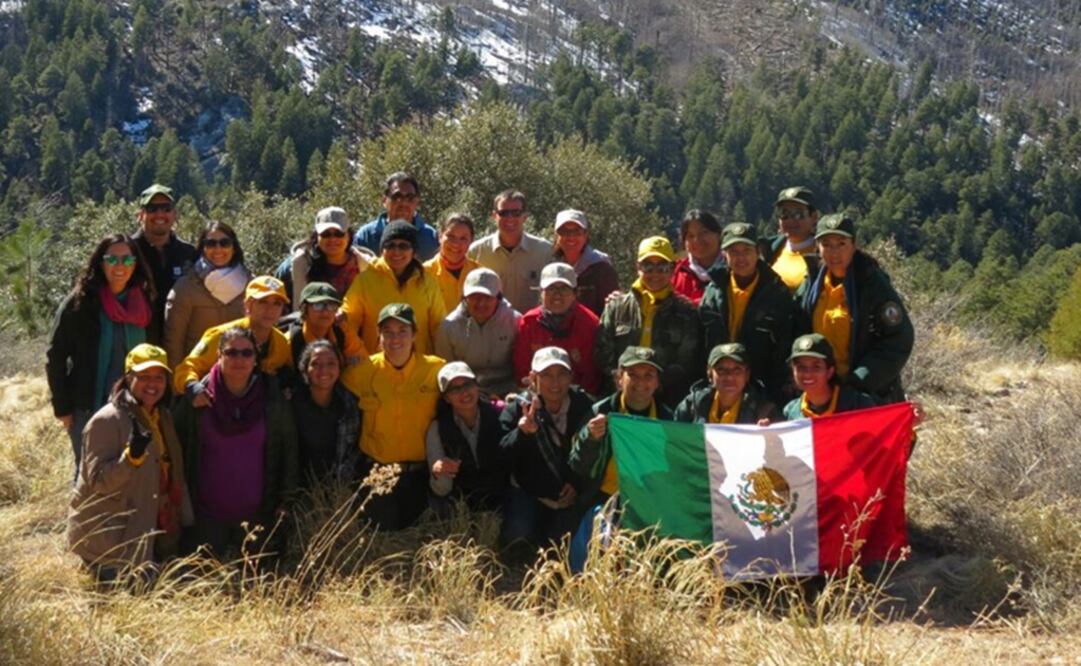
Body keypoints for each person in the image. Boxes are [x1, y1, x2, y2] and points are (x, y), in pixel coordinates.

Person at [67, 344, 193, 583]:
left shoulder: (162, 416)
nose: (152, 384)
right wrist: (131, 459)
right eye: (143, 376)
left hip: (147, 528)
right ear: (127, 378)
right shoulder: (106, 421)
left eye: (159, 377)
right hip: (110, 543)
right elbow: (99, 483)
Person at [172, 327, 298, 559]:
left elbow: (288, 451)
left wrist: (286, 500)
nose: (239, 359)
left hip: (256, 519)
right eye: (231, 353)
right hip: (206, 519)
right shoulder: (197, 399)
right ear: (218, 356)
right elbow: (176, 451)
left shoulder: (272, 396)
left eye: (246, 353)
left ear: (256, 358)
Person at [47, 234, 155, 474]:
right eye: (112, 259)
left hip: (135, 406)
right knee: (89, 472)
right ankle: (85, 513)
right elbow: (55, 357)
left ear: (136, 263)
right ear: (100, 263)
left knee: (130, 471)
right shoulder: (80, 304)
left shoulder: (144, 303)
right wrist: (62, 408)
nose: (120, 266)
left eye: (127, 260)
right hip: (87, 405)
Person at [341, 304, 446, 530]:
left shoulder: (436, 370)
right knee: (381, 534)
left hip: (421, 475)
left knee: (422, 534)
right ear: (378, 336)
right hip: (378, 475)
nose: (394, 338)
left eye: (402, 331)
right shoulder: (362, 372)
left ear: (415, 334)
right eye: (387, 332)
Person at [795, 213, 914, 405]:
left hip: (865, 391)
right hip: (820, 389)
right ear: (817, 247)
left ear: (854, 244)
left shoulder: (871, 283)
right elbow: (796, 325)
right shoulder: (813, 281)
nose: (834, 253)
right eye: (826, 244)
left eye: (841, 244)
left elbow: (899, 338)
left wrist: (860, 380)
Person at [500, 347, 594, 553]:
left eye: (562, 374)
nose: (555, 383)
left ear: (571, 377)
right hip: (530, 492)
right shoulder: (518, 408)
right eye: (547, 375)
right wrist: (522, 433)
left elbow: (592, 452)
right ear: (533, 378)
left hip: (570, 490)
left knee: (564, 543)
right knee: (517, 538)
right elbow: (502, 455)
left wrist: (575, 484)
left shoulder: (584, 405)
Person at [699, 223, 799, 404]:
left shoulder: (776, 292)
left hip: (763, 387)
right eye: (734, 252)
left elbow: (785, 344)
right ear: (725, 255)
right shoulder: (713, 290)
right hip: (719, 383)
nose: (741, 257)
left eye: (746, 250)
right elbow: (702, 338)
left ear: (758, 251)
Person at [595, 236, 700, 407]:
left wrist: (651, 387)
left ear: (673, 269)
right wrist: (626, 383)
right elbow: (602, 352)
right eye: (648, 266)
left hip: (667, 401)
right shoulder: (616, 307)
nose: (655, 273)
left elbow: (687, 361)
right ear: (638, 267)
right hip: (619, 399)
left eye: (662, 267)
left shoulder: (686, 312)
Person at [570, 347, 674, 507]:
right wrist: (590, 438)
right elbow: (578, 466)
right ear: (619, 378)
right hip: (605, 499)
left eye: (648, 375)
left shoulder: (667, 419)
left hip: (651, 501)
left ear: (657, 382)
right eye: (632, 375)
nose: (640, 382)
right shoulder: (600, 412)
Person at [340, 220, 447, 356]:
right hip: (378, 367)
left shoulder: (427, 282)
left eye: (403, 246)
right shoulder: (366, 280)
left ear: (413, 251)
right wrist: (358, 355)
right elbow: (348, 322)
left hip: (419, 367)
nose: (396, 252)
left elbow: (439, 328)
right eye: (390, 245)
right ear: (382, 249)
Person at [173, 276, 292, 397]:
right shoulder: (221, 336)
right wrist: (194, 388)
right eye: (262, 302)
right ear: (248, 305)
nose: (270, 310)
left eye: (277, 304)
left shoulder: (282, 343)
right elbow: (186, 369)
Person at [163, 221, 251, 369]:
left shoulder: (250, 284)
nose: (218, 249)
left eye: (225, 243)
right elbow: (173, 343)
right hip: (196, 377)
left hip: (239, 375)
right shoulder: (186, 287)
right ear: (202, 248)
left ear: (234, 247)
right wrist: (177, 382)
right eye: (211, 243)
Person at [426, 362, 510, 513]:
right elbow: (441, 490)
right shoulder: (437, 428)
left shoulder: (501, 414)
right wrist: (439, 473)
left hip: (502, 497)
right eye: (455, 389)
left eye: (468, 384)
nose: (464, 392)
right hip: (461, 504)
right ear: (446, 398)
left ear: (476, 386)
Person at [512, 263, 601, 395]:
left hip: (578, 398)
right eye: (551, 289)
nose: (557, 295)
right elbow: (522, 370)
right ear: (541, 293)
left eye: (564, 289)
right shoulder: (529, 322)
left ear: (575, 293)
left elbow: (591, 376)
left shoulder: (589, 324)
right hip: (536, 396)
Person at [434, 268, 522, 399]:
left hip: (508, 391)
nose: (481, 303)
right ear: (464, 298)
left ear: (498, 298)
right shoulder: (448, 327)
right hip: (466, 393)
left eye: (487, 297)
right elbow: (447, 372)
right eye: (474, 297)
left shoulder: (516, 322)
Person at [291, 340, 362, 488]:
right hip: (300, 493)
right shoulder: (291, 405)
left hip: (341, 490)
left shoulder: (351, 405)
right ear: (305, 369)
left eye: (331, 364)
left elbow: (357, 450)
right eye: (316, 364)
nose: (324, 370)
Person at [131, 184, 197, 342]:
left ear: (175, 214)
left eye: (166, 208)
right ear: (141, 214)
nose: (160, 214)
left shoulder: (189, 253)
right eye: (152, 208)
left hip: (179, 343)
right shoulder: (127, 251)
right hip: (136, 343)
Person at [468, 190, 553, 313]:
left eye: (516, 213)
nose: (510, 218)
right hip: (492, 328)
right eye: (504, 213)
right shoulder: (477, 252)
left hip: (531, 327)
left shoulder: (544, 251)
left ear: (525, 216)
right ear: (494, 216)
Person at [275, 206, 373, 308]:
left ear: (349, 236)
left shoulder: (366, 265)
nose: (333, 239)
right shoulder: (297, 266)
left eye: (338, 234)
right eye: (326, 234)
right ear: (316, 237)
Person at [673, 343, 782, 425]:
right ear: (710, 373)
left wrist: (768, 436)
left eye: (737, 370)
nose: (729, 377)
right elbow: (674, 440)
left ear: (747, 375)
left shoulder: (764, 411)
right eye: (721, 370)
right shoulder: (692, 406)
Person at [782, 334, 876, 420]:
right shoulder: (791, 412)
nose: (807, 374)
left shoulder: (859, 405)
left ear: (830, 372)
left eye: (816, 367)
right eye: (801, 367)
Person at [352, 172, 440, 260]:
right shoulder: (366, 237)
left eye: (410, 197)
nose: (403, 203)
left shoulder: (431, 238)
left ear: (417, 201)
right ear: (384, 200)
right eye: (397, 197)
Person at [551, 209, 619, 316]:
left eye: (577, 231)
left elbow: (611, 312)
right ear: (556, 235)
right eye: (564, 231)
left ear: (585, 235)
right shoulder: (549, 265)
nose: (571, 237)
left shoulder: (601, 268)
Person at [283, 282, 365, 368]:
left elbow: (363, 362)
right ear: (305, 309)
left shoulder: (343, 332)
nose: (325, 311)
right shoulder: (290, 342)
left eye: (331, 305)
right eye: (318, 305)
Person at [765, 186, 821, 292]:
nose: (790, 220)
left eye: (798, 214)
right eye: (784, 214)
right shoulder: (770, 250)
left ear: (814, 217)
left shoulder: (823, 255)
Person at [423, 212, 481, 312]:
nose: (456, 244)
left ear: (471, 240)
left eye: (463, 238)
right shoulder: (424, 273)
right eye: (451, 236)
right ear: (440, 236)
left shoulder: (479, 273)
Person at [671, 209, 724, 304]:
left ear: (718, 234)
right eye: (690, 236)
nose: (697, 240)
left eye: (704, 233)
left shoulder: (736, 268)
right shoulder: (675, 273)